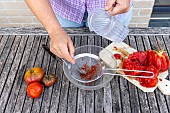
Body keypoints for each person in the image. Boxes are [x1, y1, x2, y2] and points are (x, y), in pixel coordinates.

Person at [25, 0, 133, 64]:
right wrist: (55, 31)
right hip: (65, 11)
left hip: (113, 10)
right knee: (67, 52)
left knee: (116, 57)